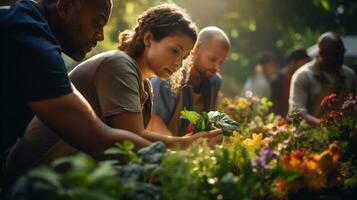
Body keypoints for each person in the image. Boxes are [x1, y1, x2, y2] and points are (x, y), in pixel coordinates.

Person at [2, 3, 222, 183]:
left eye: (184, 57)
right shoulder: (119, 65)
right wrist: (187, 151)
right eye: (175, 50)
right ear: (148, 39)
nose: (178, 63)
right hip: (33, 179)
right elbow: (122, 140)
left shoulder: (143, 85)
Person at [147, 26, 230, 136]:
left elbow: (210, 125)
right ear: (197, 48)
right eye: (213, 59)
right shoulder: (168, 77)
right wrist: (178, 149)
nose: (216, 67)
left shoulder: (214, 81)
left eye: (221, 62)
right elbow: (153, 121)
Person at [289, 32, 357, 126]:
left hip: (344, 135)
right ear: (321, 53)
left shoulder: (349, 75)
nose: (339, 58)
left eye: (341, 54)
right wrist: (324, 125)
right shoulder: (303, 76)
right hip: (311, 136)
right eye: (334, 54)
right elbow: (296, 112)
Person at [270, 47, 310, 117]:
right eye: (303, 62)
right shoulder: (277, 80)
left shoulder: (304, 79)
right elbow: (273, 107)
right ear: (292, 62)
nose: (305, 66)